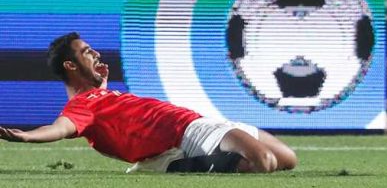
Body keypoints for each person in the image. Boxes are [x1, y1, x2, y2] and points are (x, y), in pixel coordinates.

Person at [0, 32, 297, 174]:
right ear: (70, 65)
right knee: (263, 162)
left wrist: (101, 84)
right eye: (87, 52)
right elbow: (60, 128)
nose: (96, 54)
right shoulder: (81, 106)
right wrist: (26, 136)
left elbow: (112, 114)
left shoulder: (99, 96)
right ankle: (178, 167)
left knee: (287, 160)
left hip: (200, 123)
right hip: (187, 133)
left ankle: (168, 164)